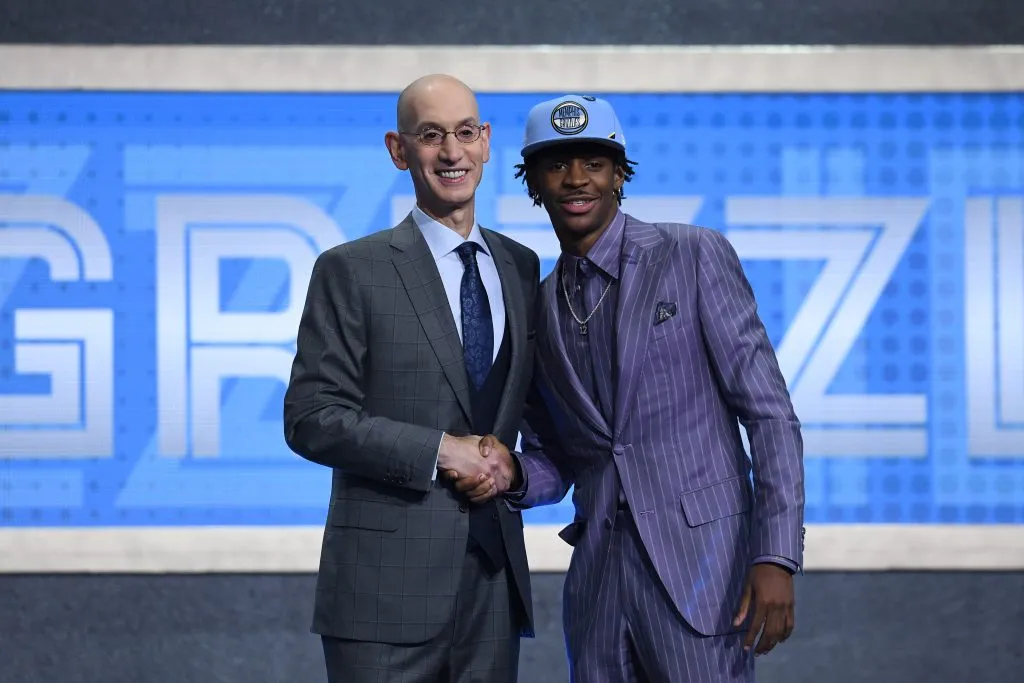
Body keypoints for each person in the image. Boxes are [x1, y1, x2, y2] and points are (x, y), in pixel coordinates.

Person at [453, 94, 805, 682]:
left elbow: (769, 415)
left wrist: (774, 555)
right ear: (533, 182)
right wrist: (509, 473)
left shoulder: (692, 254)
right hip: (598, 585)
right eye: (556, 164)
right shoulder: (536, 305)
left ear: (619, 173)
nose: (575, 179)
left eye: (593, 162)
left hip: (705, 573)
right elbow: (559, 458)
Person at [283, 73, 537, 683]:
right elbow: (312, 416)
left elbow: (531, 417)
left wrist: (517, 468)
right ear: (399, 150)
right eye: (430, 136)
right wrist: (439, 450)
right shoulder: (351, 270)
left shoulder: (522, 268)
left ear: (486, 141)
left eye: (464, 133)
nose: (451, 153)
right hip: (381, 599)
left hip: (492, 589)